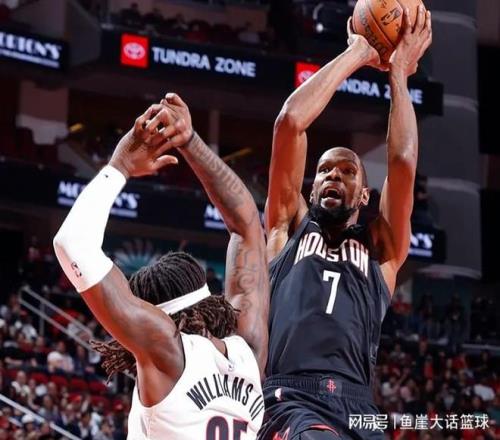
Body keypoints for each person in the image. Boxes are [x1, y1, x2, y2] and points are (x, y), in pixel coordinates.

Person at [260, 7, 432, 440]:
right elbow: (290, 123)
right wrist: (358, 51)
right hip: (291, 399)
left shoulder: (382, 249)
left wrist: (399, 74)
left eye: (347, 171)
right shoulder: (286, 229)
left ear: (365, 196)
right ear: (311, 188)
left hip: (359, 407)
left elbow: (403, 161)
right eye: (323, 170)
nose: (333, 175)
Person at [53, 95, 269, 439]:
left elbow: (72, 243)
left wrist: (121, 165)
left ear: (153, 315)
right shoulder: (248, 352)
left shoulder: (165, 348)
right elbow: (248, 230)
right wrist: (190, 140)